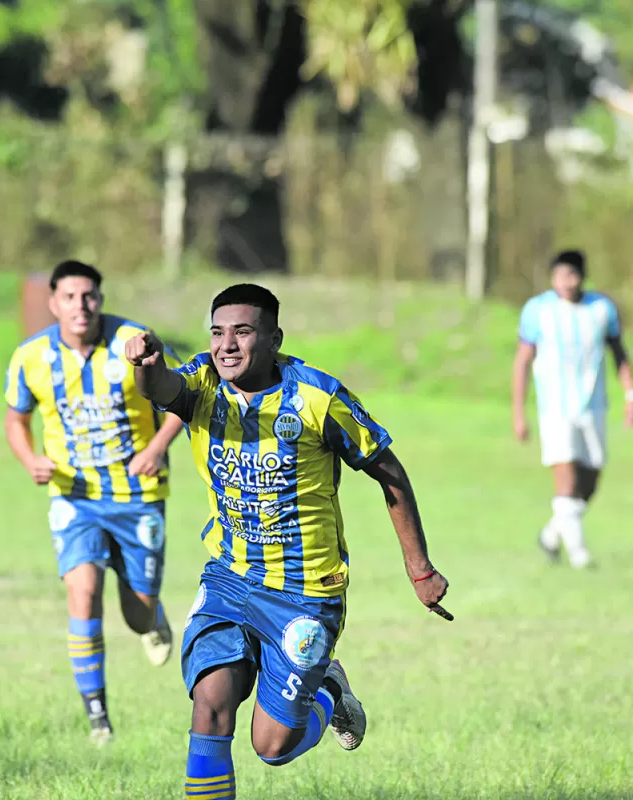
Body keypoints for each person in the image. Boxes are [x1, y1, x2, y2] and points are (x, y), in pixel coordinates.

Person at [124, 283, 451, 799]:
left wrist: (420, 568)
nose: (226, 344)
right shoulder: (203, 384)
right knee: (210, 703)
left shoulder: (319, 398)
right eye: (217, 332)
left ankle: (329, 692)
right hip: (229, 579)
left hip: (305, 593)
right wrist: (146, 363)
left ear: (275, 338)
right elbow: (158, 387)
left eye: (243, 332)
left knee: (271, 746)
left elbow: (389, 473)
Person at [3, 259, 187, 745]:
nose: (80, 306)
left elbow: (181, 399)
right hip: (74, 497)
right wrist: (30, 460)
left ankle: (154, 617)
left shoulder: (135, 342)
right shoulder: (31, 357)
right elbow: (15, 421)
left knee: (136, 615)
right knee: (82, 592)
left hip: (137, 497)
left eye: (89, 297)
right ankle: (98, 719)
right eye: (69, 297)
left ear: (100, 301)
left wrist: (155, 448)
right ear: (53, 303)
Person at [511, 250, 633, 569]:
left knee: (591, 480)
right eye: (559, 276)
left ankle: (553, 534)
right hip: (554, 408)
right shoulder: (538, 310)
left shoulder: (601, 309)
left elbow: (619, 353)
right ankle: (580, 554)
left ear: (582, 277)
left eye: (571, 275)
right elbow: (523, 361)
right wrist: (518, 411)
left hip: (593, 406)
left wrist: (631, 394)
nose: (565, 282)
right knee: (566, 479)